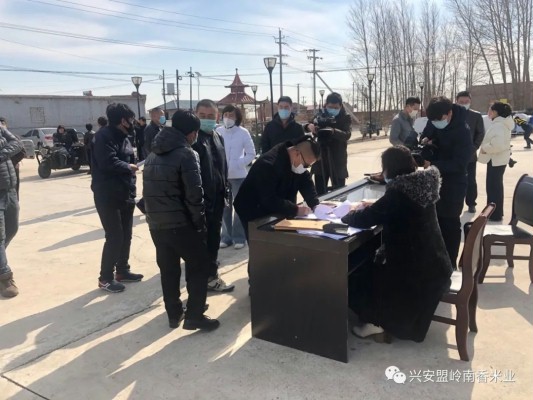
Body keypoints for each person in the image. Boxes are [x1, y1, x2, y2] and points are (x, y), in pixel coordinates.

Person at [342, 146, 452, 342]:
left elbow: (365, 219)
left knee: (358, 275)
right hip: (435, 265)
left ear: (390, 169)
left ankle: (375, 322)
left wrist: (348, 214)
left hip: (416, 274)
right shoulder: (422, 184)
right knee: (369, 265)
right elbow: (386, 210)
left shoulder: (398, 193)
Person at [143, 110, 219, 331]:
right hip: (181, 223)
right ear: (191, 133)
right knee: (199, 265)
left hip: (156, 224)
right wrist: (200, 224)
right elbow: (194, 195)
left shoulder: (152, 154)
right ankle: (195, 314)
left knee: (169, 269)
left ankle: (174, 313)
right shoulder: (187, 154)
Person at [91, 103, 143, 293]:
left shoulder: (125, 137)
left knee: (126, 234)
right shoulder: (103, 136)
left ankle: (122, 270)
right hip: (107, 194)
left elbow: (130, 159)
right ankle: (105, 278)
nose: (133, 123)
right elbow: (107, 162)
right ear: (123, 120)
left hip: (125, 192)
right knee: (114, 236)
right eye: (131, 119)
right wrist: (128, 167)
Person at [234, 136, 321, 241]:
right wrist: (295, 209)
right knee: (261, 244)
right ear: (297, 154)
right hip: (253, 208)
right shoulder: (268, 164)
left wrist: (315, 205)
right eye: (306, 165)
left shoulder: (296, 162)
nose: (305, 168)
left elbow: (305, 182)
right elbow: (268, 199)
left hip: (274, 205)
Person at [421, 96, 473, 268]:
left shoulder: (463, 131)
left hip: (454, 184)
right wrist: (425, 141)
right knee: (434, 222)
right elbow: (426, 135)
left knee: (449, 223)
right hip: (433, 180)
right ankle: (435, 264)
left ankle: (450, 264)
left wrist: (433, 164)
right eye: (433, 121)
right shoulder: (434, 120)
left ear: (449, 113)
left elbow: (460, 164)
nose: (436, 123)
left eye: (439, 119)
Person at [193, 99, 234, 293]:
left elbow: (222, 166)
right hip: (201, 201)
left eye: (210, 116)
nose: (207, 119)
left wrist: (226, 189)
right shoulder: (193, 139)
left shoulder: (218, 137)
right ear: (196, 115)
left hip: (218, 198)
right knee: (201, 243)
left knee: (214, 239)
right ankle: (204, 280)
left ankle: (211, 276)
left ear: (217, 117)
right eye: (202, 116)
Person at [216, 105, 256, 250]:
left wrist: (239, 163)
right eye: (225, 114)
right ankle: (226, 237)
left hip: (239, 176)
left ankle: (239, 237)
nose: (228, 117)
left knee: (239, 207)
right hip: (222, 176)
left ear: (237, 117)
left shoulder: (243, 132)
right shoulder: (218, 131)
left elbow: (251, 153)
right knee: (225, 208)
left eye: (231, 115)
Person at [305, 92, 352, 195]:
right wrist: (309, 126)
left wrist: (333, 131)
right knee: (320, 193)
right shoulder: (320, 115)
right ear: (326, 105)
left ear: (341, 106)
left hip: (338, 160)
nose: (333, 109)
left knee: (339, 193)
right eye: (330, 107)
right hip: (320, 159)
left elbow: (347, 135)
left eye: (336, 107)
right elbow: (308, 125)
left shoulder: (345, 117)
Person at [478, 102, 513, 222]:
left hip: (496, 160)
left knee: (494, 188)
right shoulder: (501, 123)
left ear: (496, 112)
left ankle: (494, 214)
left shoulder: (499, 125)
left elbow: (498, 145)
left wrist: (484, 148)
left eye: (490, 110)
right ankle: (494, 212)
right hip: (497, 160)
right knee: (495, 187)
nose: (489, 112)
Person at [0, 124, 24, 298]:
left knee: (12, 228)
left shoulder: (0, 128)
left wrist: (1, 154)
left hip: (10, 188)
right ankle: (5, 277)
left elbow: (17, 144)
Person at [455, 91, 485, 213]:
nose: (464, 104)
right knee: (455, 180)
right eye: (461, 102)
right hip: (454, 155)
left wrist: (473, 147)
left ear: (470, 101)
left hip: (470, 155)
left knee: (471, 181)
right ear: (456, 102)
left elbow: (480, 133)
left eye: (466, 102)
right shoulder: (451, 114)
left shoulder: (476, 116)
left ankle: (471, 203)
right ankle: (456, 202)